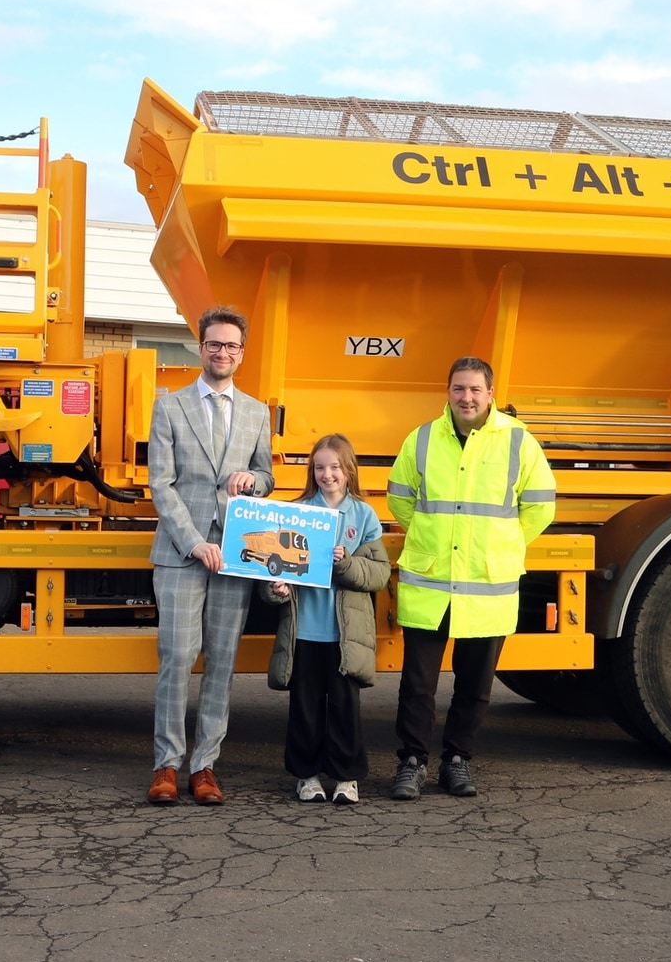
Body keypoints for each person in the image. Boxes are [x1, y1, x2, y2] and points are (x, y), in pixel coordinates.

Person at [385, 356, 555, 799]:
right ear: (448, 392)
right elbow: (399, 499)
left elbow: (540, 506)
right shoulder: (422, 438)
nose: (467, 397)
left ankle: (457, 761)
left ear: (490, 394)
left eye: (475, 389)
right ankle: (412, 762)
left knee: (475, 685)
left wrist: (502, 543)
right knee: (417, 684)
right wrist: (431, 538)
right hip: (431, 583)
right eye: (459, 388)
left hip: (486, 584)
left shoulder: (518, 441)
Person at [146, 306, 274, 806]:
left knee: (221, 661)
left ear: (242, 354)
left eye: (232, 346)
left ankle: (204, 766)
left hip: (237, 554)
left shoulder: (257, 412)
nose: (223, 352)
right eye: (215, 344)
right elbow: (161, 484)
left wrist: (253, 480)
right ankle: (166, 763)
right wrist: (193, 541)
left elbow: (266, 476)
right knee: (177, 658)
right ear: (200, 348)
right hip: (183, 552)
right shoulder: (169, 407)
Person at [264, 434, 391, 805]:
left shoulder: (363, 516)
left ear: (349, 469)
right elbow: (270, 577)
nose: (327, 474)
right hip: (304, 630)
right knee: (304, 708)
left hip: (344, 635)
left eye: (335, 467)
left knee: (344, 708)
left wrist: (346, 564)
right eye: (319, 467)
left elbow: (379, 574)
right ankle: (306, 777)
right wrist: (277, 589)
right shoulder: (297, 512)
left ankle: (346, 778)